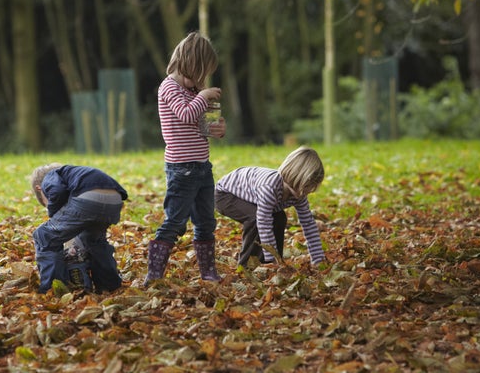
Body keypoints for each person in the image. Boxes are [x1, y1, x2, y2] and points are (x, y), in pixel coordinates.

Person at [144, 31, 226, 285]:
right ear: (192, 65)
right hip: (182, 170)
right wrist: (203, 96)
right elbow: (186, 114)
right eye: (202, 73)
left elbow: (200, 125)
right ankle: (154, 273)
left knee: (206, 221)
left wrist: (216, 128)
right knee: (175, 221)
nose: (203, 80)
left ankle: (208, 271)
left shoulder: (193, 91)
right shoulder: (169, 86)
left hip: (202, 167)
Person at [214, 146, 327, 267]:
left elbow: (308, 224)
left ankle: (274, 260)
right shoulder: (270, 188)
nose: (308, 191)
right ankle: (247, 265)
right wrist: (271, 259)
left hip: (251, 198)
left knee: (279, 217)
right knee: (255, 219)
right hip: (225, 195)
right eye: (307, 186)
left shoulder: (299, 194)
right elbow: (264, 222)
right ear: (295, 177)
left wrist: (317, 258)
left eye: (311, 187)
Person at [30, 163, 128, 294]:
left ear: (39, 188)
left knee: (44, 235)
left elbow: (57, 190)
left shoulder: (50, 177)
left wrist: (53, 213)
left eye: (45, 203)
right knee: (93, 240)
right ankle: (109, 285)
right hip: (114, 200)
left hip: (88, 199)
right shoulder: (74, 175)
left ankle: (53, 289)